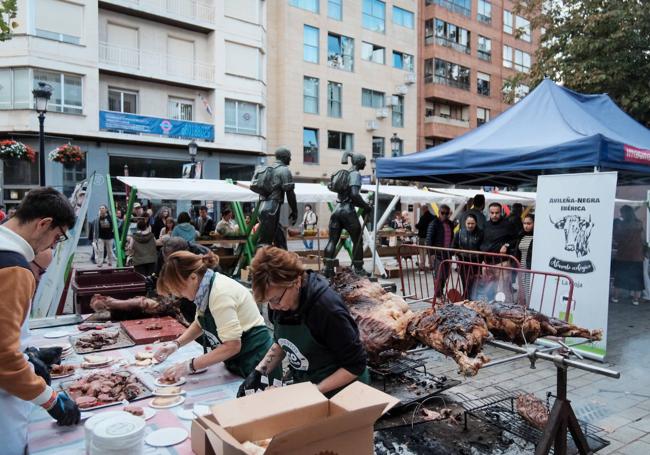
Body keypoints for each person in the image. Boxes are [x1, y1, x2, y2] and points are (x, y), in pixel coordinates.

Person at [0, 187, 80, 454]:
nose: (51, 247)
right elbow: (3, 357)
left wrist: (29, 354)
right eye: (56, 238)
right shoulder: (13, 267)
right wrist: (51, 400)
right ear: (43, 224)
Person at [238, 247, 369, 398]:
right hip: (308, 381)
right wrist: (259, 371)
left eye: (276, 299)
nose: (273, 307)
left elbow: (356, 365)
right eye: (269, 301)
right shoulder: (280, 304)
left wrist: (313, 391)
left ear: (296, 281)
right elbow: (283, 342)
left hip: (343, 391)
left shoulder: (327, 310)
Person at [153, 251, 274, 380]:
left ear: (193, 277)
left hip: (256, 359)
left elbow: (232, 346)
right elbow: (200, 322)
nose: (179, 295)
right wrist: (176, 344)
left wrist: (189, 366)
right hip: (237, 361)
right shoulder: (205, 289)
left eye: (180, 289)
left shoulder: (219, 293)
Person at [323, 151, 373, 277]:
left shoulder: (345, 173)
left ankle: (327, 269)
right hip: (347, 211)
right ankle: (358, 269)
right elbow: (354, 194)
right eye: (364, 161)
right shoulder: (355, 174)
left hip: (337, 209)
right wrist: (366, 206)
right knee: (357, 240)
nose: (365, 163)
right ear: (359, 162)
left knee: (332, 241)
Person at [254, 147, 298, 249]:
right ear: (284, 157)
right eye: (289, 157)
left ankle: (283, 260)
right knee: (264, 243)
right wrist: (295, 210)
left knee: (280, 237)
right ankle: (260, 264)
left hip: (263, 206)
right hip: (272, 208)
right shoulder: (284, 170)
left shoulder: (268, 169)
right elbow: (290, 193)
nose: (290, 160)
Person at [612, 205, 645, 306]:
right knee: (637, 278)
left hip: (623, 255)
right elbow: (643, 239)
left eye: (621, 212)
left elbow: (616, 239)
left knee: (619, 277)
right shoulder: (639, 224)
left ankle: (616, 297)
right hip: (637, 255)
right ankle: (635, 300)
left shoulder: (621, 225)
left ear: (624, 213)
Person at [426, 204, 455, 297]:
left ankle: (440, 292)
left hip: (447, 254)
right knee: (439, 276)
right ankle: (438, 295)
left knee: (446, 275)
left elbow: (452, 238)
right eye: (442, 213)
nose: (444, 215)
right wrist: (431, 254)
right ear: (439, 213)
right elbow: (429, 240)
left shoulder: (450, 224)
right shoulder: (433, 223)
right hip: (437, 254)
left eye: (447, 213)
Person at [452, 213, 484, 295]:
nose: (470, 226)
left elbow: (484, 247)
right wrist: (457, 252)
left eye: (472, 223)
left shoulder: (481, 233)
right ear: (465, 223)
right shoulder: (459, 233)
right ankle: (466, 298)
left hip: (476, 262)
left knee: (475, 283)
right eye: (468, 223)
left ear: (476, 223)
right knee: (465, 281)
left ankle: (474, 299)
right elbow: (453, 246)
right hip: (463, 262)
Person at [515, 214, 535, 304]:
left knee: (529, 291)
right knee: (522, 290)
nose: (526, 226)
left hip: (530, 268)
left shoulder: (537, 237)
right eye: (524, 223)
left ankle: (530, 308)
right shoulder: (521, 235)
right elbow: (517, 252)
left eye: (529, 223)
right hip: (521, 268)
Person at [415, 204, 435, 271]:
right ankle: (431, 266)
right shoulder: (433, 217)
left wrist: (416, 225)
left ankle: (422, 266)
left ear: (424, 209)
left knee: (422, 252)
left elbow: (419, 226)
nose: (422, 210)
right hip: (431, 237)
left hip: (423, 237)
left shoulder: (423, 217)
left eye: (422, 209)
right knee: (430, 251)